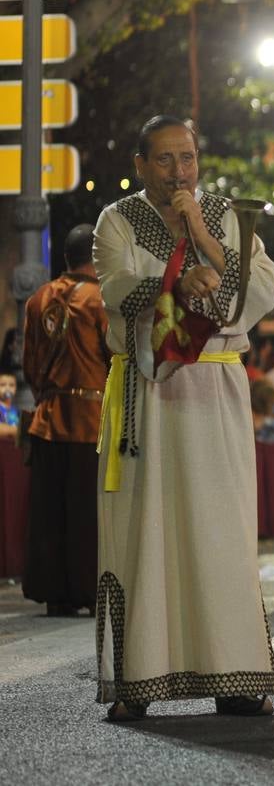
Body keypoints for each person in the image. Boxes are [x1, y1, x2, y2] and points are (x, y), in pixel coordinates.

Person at [92, 115, 274, 721]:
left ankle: (235, 677)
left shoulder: (225, 214)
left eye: (189, 159)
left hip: (218, 384)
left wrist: (199, 228)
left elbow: (258, 290)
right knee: (148, 529)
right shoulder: (115, 220)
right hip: (151, 390)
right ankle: (137, 680)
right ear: (141, 164)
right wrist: (172, 284)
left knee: (220, 528)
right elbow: (117, 287)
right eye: (166, 160)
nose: (180, 171)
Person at [21, 224, 109, 616]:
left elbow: (29, 364)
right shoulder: (100, 299)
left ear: (65, 258)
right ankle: (89, 592)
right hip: (91, 421)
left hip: (46, 419)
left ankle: (55, 594)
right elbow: (113, 359)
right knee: (87, 512)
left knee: (49, 510)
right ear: (98, 255)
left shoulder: (38, 298)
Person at [0, 370, 19, 440]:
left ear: (16, 388)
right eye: (2, 385)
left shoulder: (16, 410)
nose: (7, 388)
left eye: (11, 385)